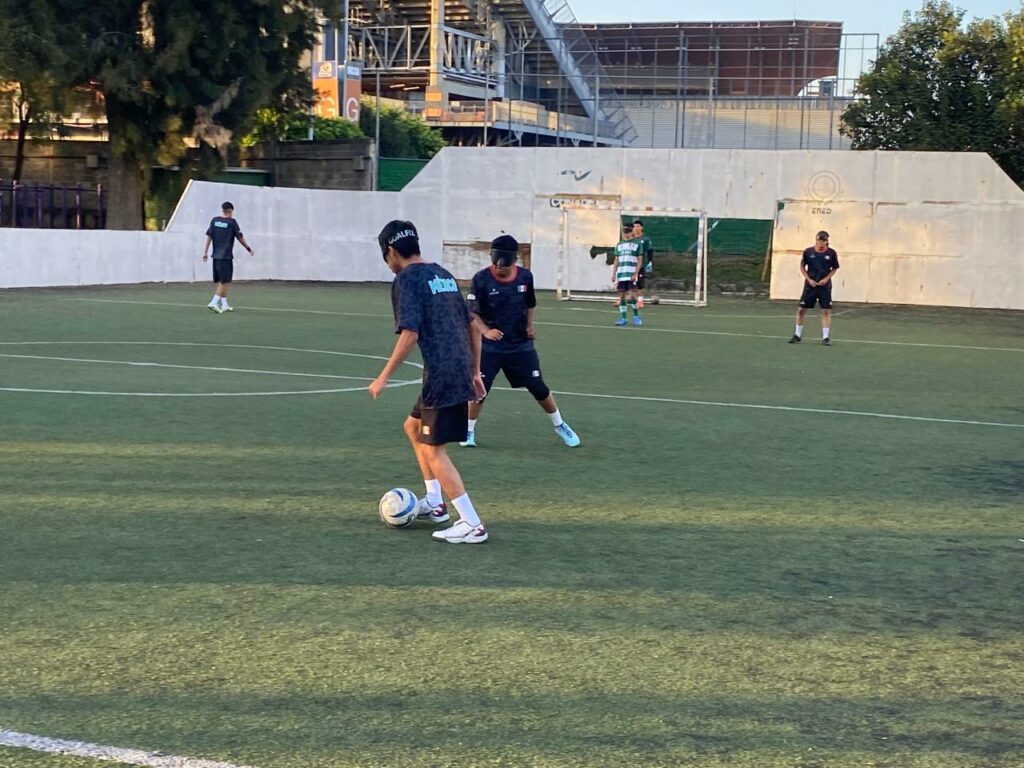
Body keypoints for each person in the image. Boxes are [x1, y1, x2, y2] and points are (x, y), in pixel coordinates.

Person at [368, 220, 490, 544]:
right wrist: (475, 371)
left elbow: (410, 333)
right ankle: (435, 503)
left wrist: (383, 377)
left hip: (442, 372)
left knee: (435, 451)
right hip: (456, 367)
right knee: (412, 428)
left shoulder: (407, 279)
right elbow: (474, 326)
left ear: (390, 252)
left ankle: (471, 523)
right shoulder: (442, 274)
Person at [460, 235, 581, 449]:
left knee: (538, 386)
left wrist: (529, 325)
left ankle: (560, 425)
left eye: (504, 267)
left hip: (520, 345)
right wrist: (486, 331)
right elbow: (471, 313)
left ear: (514, 260)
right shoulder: (481, 279)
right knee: (479, 389)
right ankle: (468, 431)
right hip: (490, 347)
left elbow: (530, 304)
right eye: (496, 265)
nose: (500, 269)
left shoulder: (526, 278)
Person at [789, 230, 840, 346]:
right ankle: (797, 335)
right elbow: (802, 266)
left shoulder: (832, 253)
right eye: (818, 240)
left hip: (824, 287)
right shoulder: (808, 252)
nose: (820, 243)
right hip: (810, 286)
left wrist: (826, 279)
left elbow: (835, 268)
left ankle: (825, 338)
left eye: (823, 240)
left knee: (826, 311)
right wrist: (808, 279)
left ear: (827, 241)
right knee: (801, 310)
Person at [202, 201, 253, 313]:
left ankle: (224, 304)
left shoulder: (214, 221)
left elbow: (209, 237)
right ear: (230, 211)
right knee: (224, 281)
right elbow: (240, 238)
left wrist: (205, 252)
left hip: (215, 256)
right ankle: (214, 302)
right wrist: (248, 248)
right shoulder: (232, 222)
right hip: (226, 256)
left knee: (225, 280)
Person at [611, 222, 644, 326]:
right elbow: (616, 260)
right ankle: (623, 318)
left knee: (632, 297)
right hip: (621, 275)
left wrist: (636, 273)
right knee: (622, 297)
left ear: (632, 231)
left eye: (628, 231)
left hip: (631, 275)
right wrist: (613, 273)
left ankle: (636, 316)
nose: (626, 234)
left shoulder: (637, 244)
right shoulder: (619, 245)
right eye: (625, 232)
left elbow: (639, 260)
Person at [632, 219, 654, 309]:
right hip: (630, 264)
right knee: (626, 282)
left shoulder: (645, 239)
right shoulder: (631, 239)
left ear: (642, 228)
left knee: (640, 282)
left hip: (641, 264)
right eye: (634, 226)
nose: (636, 228)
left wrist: (650, 262)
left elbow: (650, 251)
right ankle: (625, 299)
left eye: (638, 226)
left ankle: (640, 301)